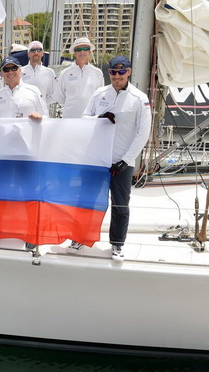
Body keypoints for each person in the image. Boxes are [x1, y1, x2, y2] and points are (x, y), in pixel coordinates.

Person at [67, 55, 151, 262]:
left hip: (123, 162)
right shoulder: (99, 94)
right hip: (97, 159)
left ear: (129, 72)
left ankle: (117, 244)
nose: (117, 76)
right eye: (113, 72)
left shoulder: (140, 99)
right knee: (86, 201)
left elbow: (143, 133)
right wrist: (98, 119)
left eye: (121, 72)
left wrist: (125, 160)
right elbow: (84, 118)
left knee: (120, 205)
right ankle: (79, 238)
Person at [53, 37, 104, 118]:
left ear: (90, 51)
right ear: (74, 53)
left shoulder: (98, 73)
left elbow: (100, 96)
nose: (82, 52)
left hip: (90, 119)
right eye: (78, 49)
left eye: (85, 49)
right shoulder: (65, 73)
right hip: (69, 119)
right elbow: (60, 97)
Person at [20, 41, 56, 106]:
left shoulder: (50, 72)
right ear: (28, 54)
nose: (36, 52)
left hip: (43, 113)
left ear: (42, 53)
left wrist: (42, 103)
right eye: (32, 50)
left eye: (39, 50)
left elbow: (55, 95)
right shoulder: (20, 72)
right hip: (24, 112)